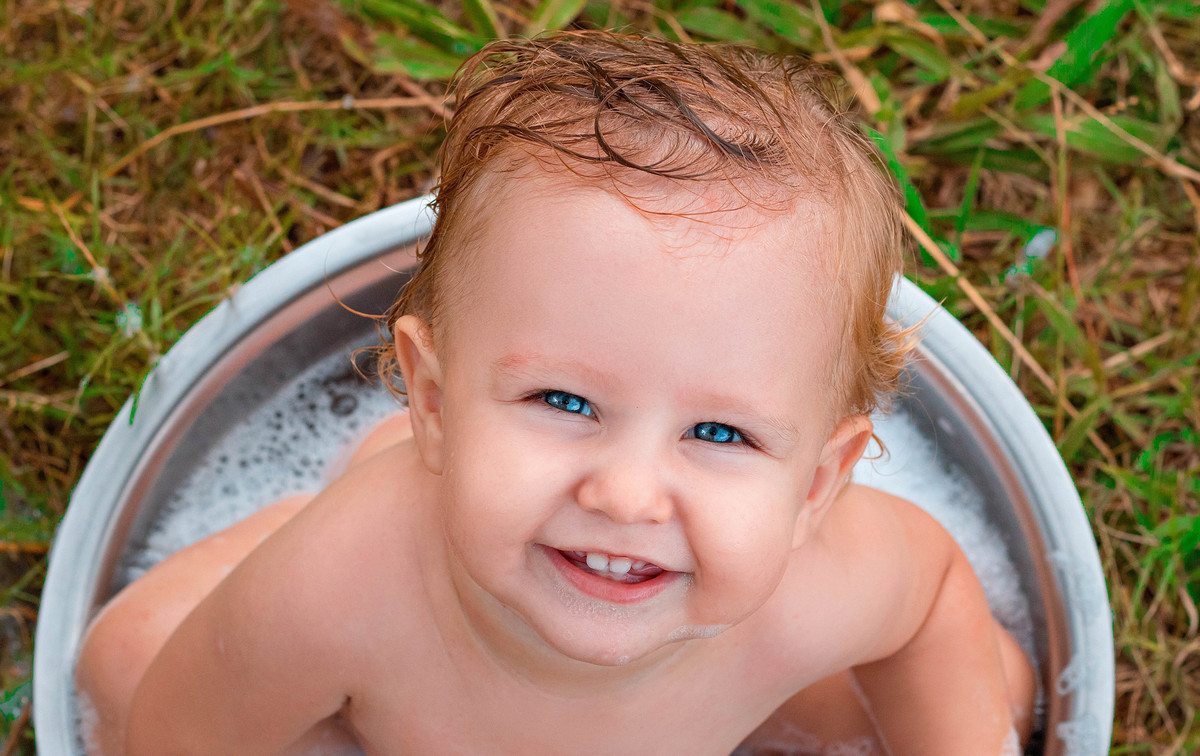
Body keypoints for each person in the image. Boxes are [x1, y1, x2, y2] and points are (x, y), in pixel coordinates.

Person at [75, 31, 1036, 756]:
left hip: (710, 698)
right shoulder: (340, 590)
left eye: (719, 431)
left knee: (997, 684)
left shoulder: (820, 584)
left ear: (819, 485)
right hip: (375, 711)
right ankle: (308, 501)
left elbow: (931, 599)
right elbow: (176, 739)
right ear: (437, 405)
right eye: (563, 403)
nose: (625, 495)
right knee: (124, 669)